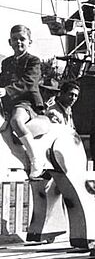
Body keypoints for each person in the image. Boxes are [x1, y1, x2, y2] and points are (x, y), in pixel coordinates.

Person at [0, 24, 45, 178]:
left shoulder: (33, 61)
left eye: (22, 39)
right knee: (4, 131)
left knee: (16, 121)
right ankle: (24, 161)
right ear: (9, 42)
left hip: (27, 102)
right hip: (8, 104)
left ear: (29, 42)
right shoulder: (6, 63)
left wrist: (6, 91)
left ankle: (36, 160)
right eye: (14, 39)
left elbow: (28, 82)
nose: (18, 42)